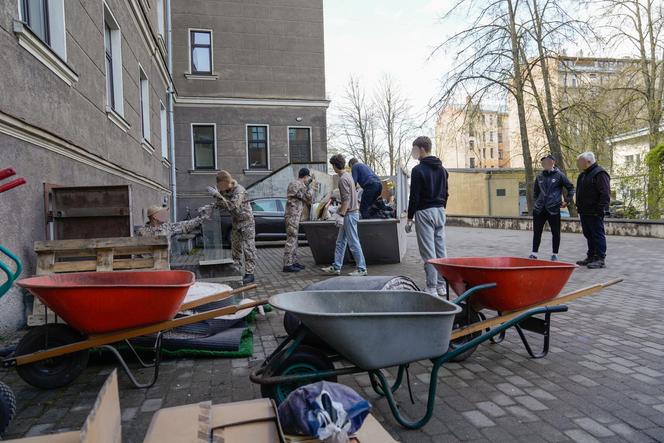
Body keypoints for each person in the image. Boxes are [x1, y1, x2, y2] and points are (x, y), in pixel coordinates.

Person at [405, 136, 449, 296]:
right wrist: (441, 208)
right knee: (441, 250)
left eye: (414, 149)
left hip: (424, 212)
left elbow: (414, 196)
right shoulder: (443, 170)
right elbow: (446, 193)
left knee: (428, 252)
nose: (413, 152)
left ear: (421, 149)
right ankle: (441, 285)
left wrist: (410, 218)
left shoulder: (418, 170)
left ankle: (431, 288)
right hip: (439, 211)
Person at [321, 154, 367, 276]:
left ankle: (362, 268)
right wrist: (340, 212)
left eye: (333, 166)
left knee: (353, 242)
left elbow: (346, 200)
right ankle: (336, 267)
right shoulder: (348, 176)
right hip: (351, 213)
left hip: (349, 215)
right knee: (341, 242)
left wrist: (340, 215)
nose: (333, 168)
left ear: (335, 166)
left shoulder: (342, 179)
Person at [208, 171, 257, 284]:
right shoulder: (225, 191)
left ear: (226, 182)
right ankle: (236, 269)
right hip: (236, 223)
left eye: (220, 185)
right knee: (235, 248)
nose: (219, 188)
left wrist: (218, 196)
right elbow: (222, 205)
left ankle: (250, 273)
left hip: (246, 223)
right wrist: (212, 205)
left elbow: (232, 206)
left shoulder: (239, 190)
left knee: (248, 248)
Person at [529, 154, 575, 261]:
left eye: (548, 161)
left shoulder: (559, 175)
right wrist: (537, 203)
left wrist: (567, 201)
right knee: (537, 232)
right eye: (544, 162)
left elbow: (571, 188)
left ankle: (554, 254)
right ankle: (534, 253)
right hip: (539, 209)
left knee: (555, 232)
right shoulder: (539, 176)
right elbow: (536, 192)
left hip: (553, 209)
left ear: (553, 162)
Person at [575, 152, 611, 269]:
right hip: (584, 211)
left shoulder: (600, 174)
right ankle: (591, 256)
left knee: (597, 234)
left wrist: (599, 209)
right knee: (588, 234)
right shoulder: (583, 175)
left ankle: (600, 259)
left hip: (595, 212)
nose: (578, 165)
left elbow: (605, 194)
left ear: (588, 162)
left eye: (580, 162)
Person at [283, 168, 315, 273]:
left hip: (295, 215)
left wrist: (308, 187)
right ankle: (287, 264)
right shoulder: (296, 184)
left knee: (295, 240)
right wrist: (311, 187)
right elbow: (308, 197)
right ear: (306, 176)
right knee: (291, 239)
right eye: (308, 177)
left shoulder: (299, 185)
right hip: (292, 215)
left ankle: (294, 262)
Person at [138, 204, 211, 238]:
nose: (165, 215)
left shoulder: (168, 227)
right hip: (146, 266)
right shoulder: (141, 232)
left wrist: (201, 218)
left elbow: (185, 225)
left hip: (164, 264)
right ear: (154, 217)